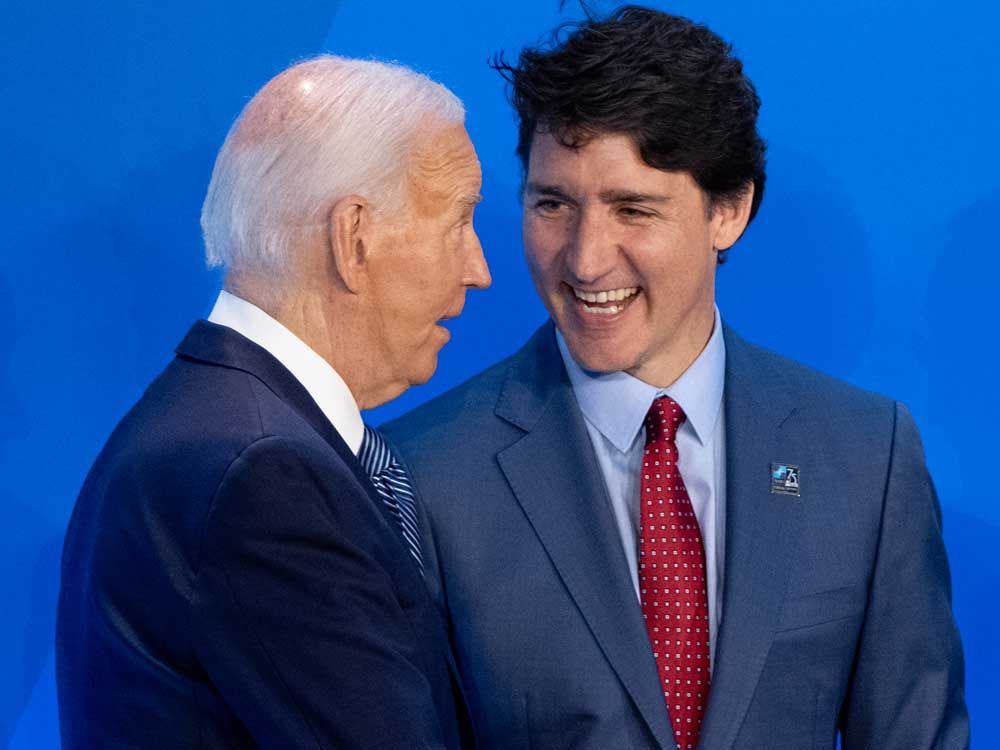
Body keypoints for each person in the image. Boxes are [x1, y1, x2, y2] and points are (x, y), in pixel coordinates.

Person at [384, 7, 968, 749]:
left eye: (634, 209)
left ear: (729, 211)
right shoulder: (418, 475)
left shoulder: (866, 456)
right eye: (553, 204)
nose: (587, 258)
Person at [56, 54, 490, 748]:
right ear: (354, 239)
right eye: (459, 221)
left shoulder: (209, 421)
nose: (480, 269)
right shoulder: (264, 474)